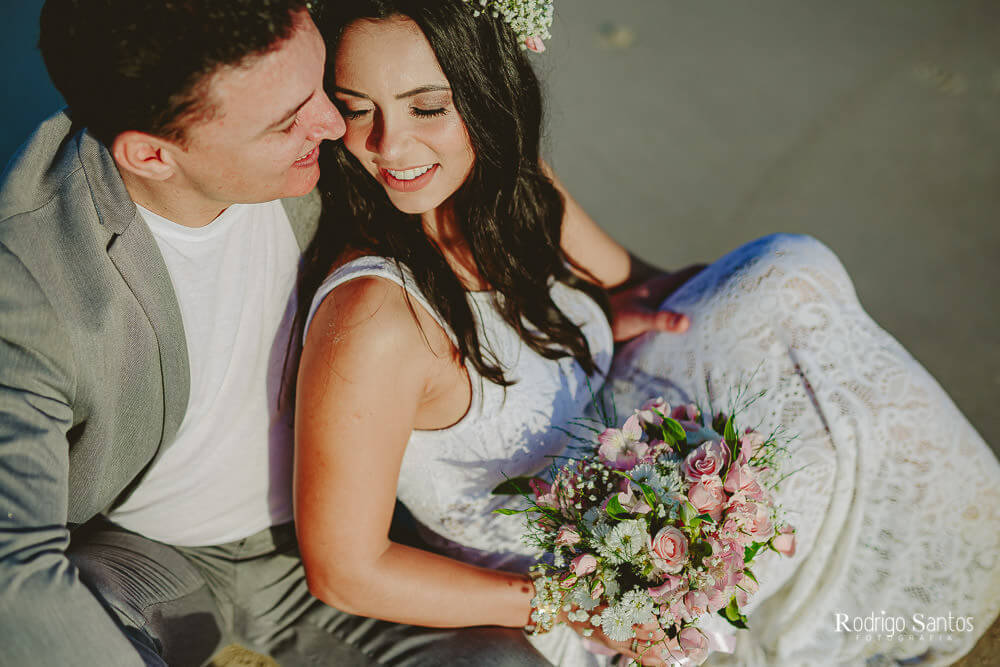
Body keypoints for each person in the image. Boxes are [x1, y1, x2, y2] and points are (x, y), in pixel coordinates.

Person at [295, 1, 1000, 666]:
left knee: (790, 273)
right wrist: (568, 600)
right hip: (586, 582)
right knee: (821, 444)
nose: (388, 144)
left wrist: (595, 317)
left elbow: (642, 282)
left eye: (427, 107)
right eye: (357, 110)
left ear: (488, 92)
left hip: (628, 449)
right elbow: (345, 571)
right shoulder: (375, 321)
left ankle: (961, 561)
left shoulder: (510, 187)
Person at [0, 1, 556, 664]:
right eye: (288, 122)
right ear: (152, 155)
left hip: (329, 539)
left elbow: (467, 131)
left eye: (320, 87)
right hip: (143, 557)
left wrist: (572, 289)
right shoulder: (29, 289)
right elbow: (16, 572)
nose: (336, 124)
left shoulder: (323, 105)